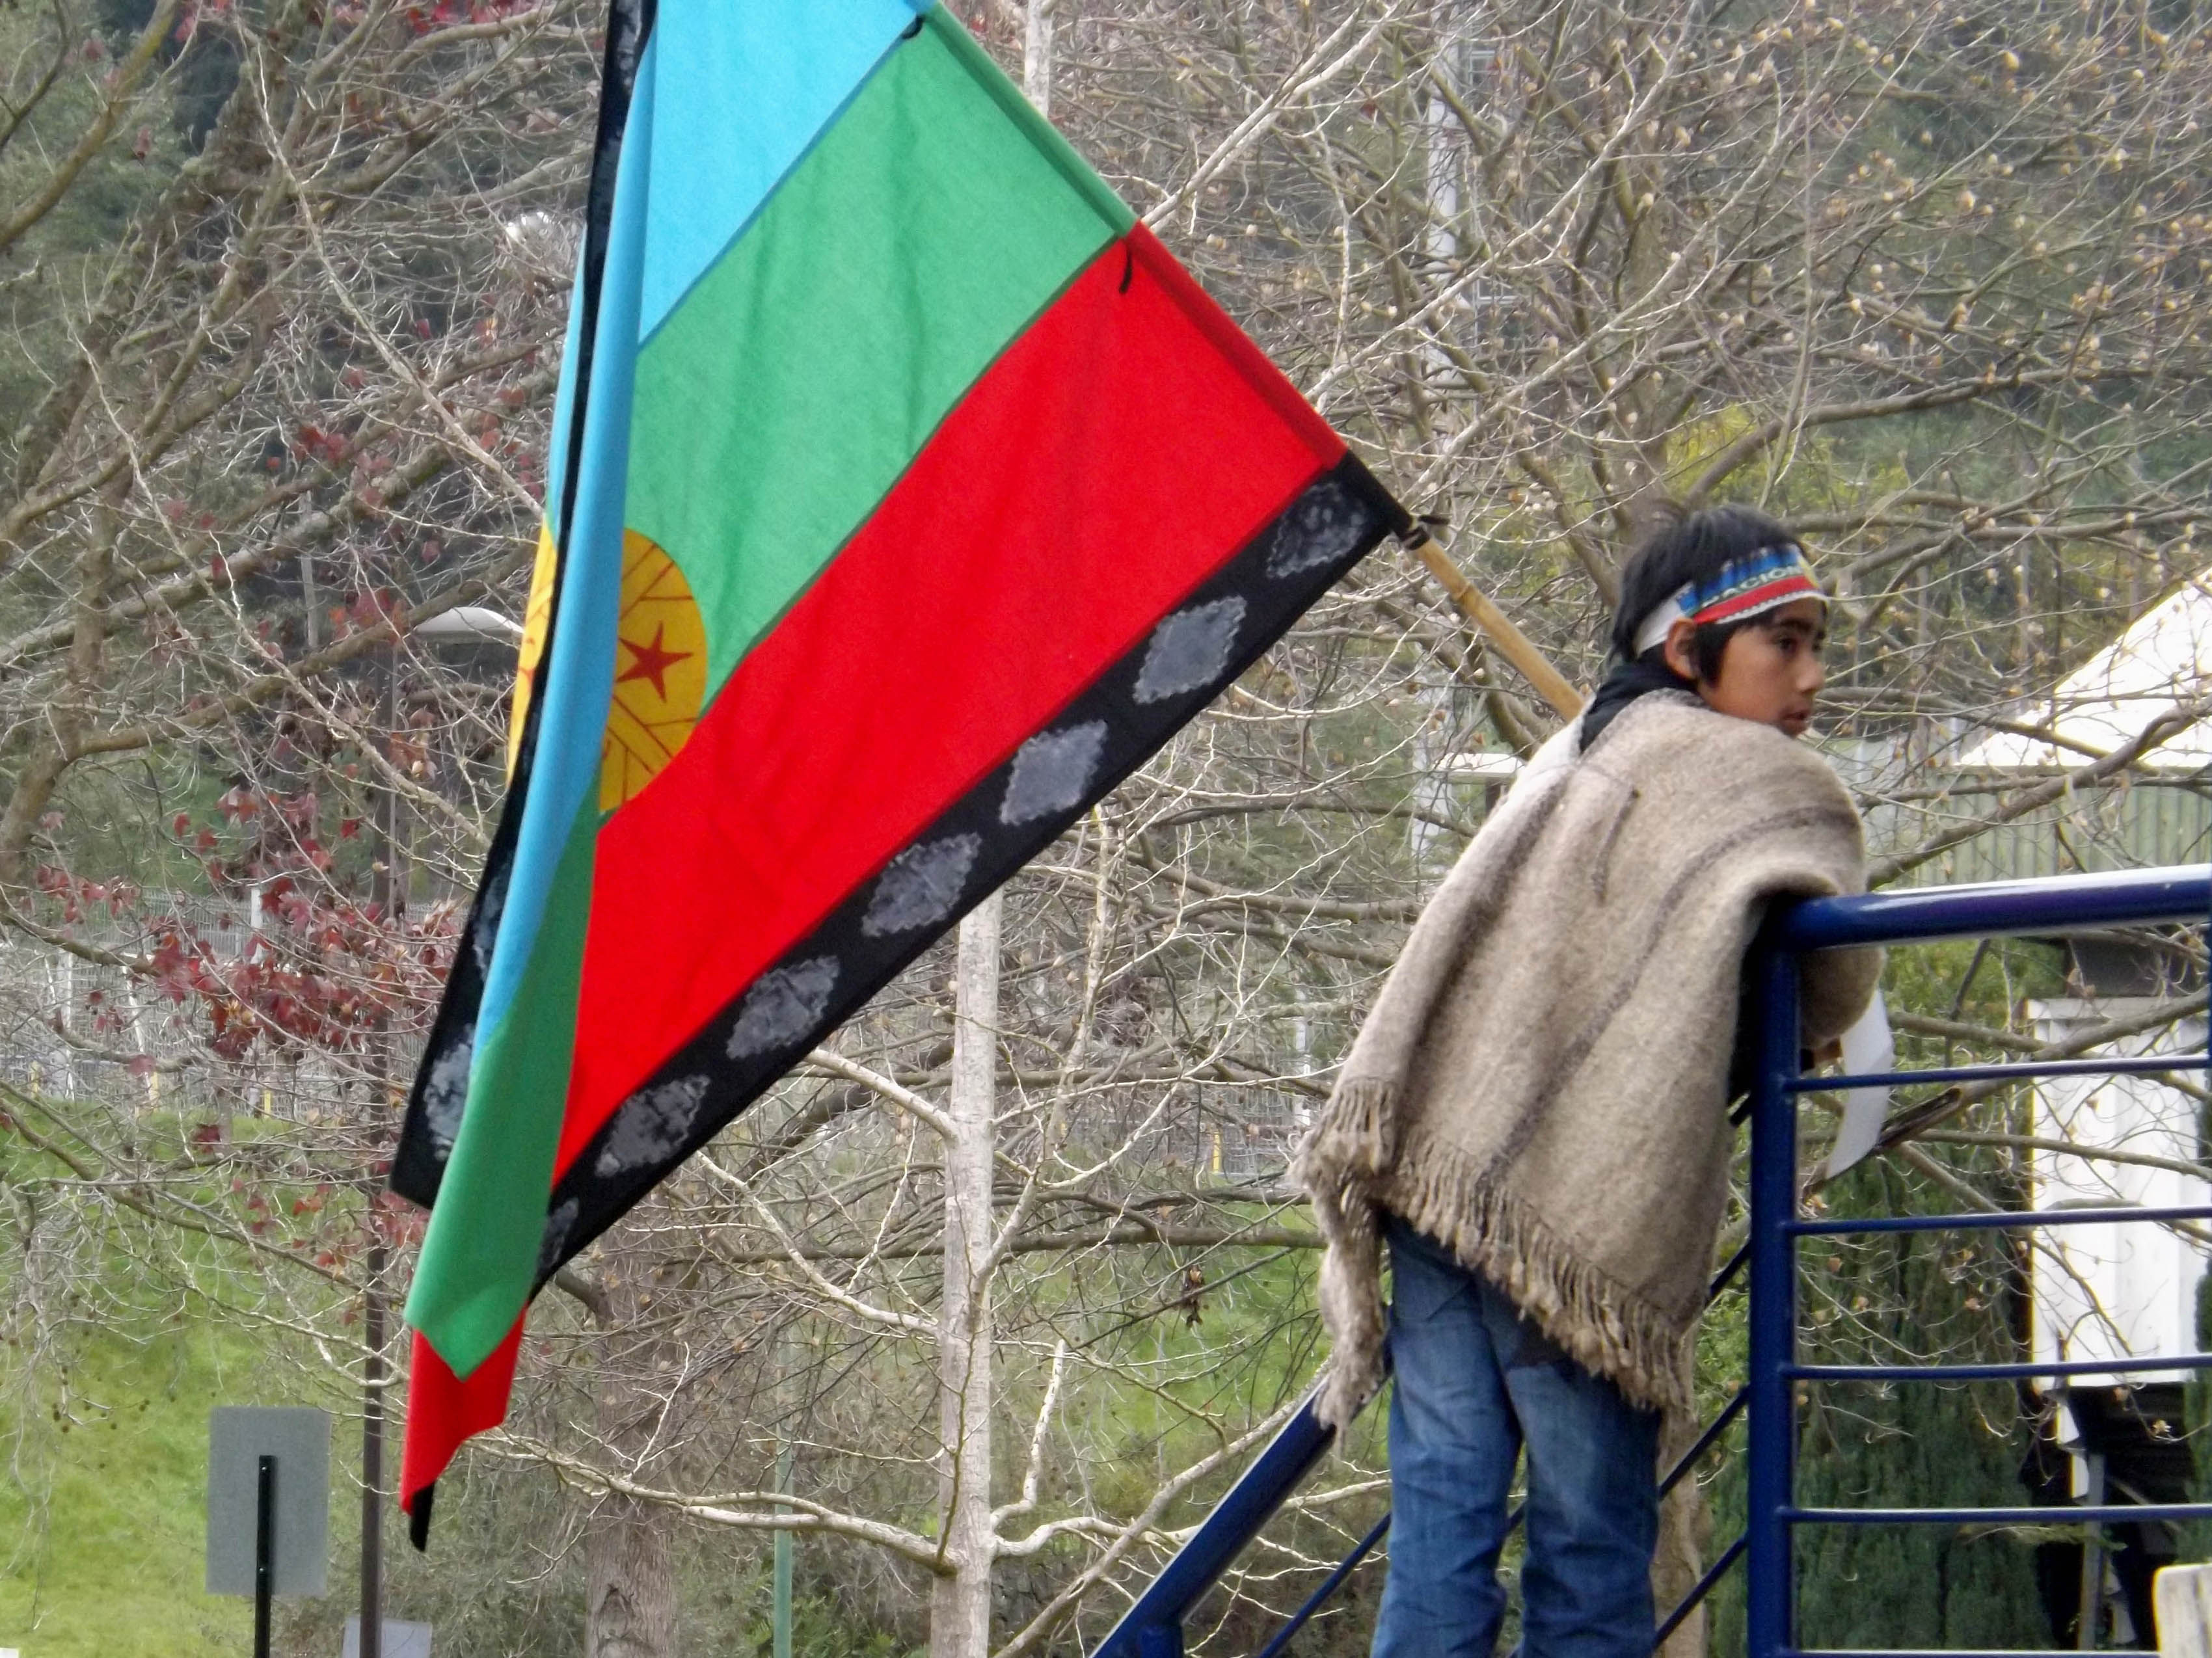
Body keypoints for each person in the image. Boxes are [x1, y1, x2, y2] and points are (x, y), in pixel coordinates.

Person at [1294, 505, 1883, 1658]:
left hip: (1436, 1174)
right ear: (1689, 649)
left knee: (1442, 1532)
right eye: (1783, 641)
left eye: (1818, 643)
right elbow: (1837, 985)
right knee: (1588, 1550)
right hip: (1581, 1222)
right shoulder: (1763, 776)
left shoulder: (1569, 752)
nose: (1811, 675)